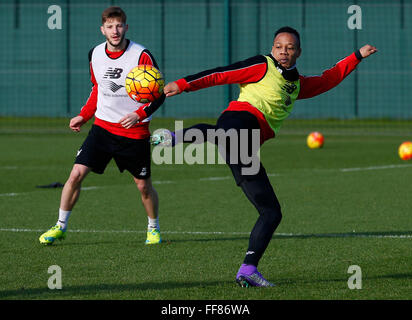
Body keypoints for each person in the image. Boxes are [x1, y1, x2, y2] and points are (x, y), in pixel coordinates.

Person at [158, 26, 377, 287]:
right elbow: (220, 75)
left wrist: (357, 56)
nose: (283, 51)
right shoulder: (263, 65)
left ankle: (248, 269)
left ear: (299, 52)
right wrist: (183, 84)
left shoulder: (296, 85)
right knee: (226, 134)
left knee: (271, 212)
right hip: (239, 120)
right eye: (278, 46)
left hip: (244, 148)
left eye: (289, 47)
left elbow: (328, 79)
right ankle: (174, 137)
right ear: (272, 48)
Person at [39, 6, 165, 245]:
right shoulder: (95, 53)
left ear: (126, 27)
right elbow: (97, 88)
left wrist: (139, 114)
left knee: (143, 187)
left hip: (134, 133)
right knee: (75, 174)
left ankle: (153, 228)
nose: (115, 31)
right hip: (103, 128)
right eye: (110, 26)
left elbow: (159, 94)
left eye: (119, 26)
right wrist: (83, 116)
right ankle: (60, 226)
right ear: (102, 29)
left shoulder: (141, 55)